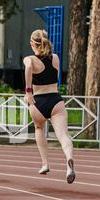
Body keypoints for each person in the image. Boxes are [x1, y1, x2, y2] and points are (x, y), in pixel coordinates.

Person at [23, 29, 75, 183]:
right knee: (63, 135)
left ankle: (45, 163)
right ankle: (69, 159)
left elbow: (28, 69)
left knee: (39, 129)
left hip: (38, 101)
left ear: (33, 43)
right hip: (55, 100)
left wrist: (28, 91)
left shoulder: (29, 59)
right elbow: (56, 77)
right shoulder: (56, 58)